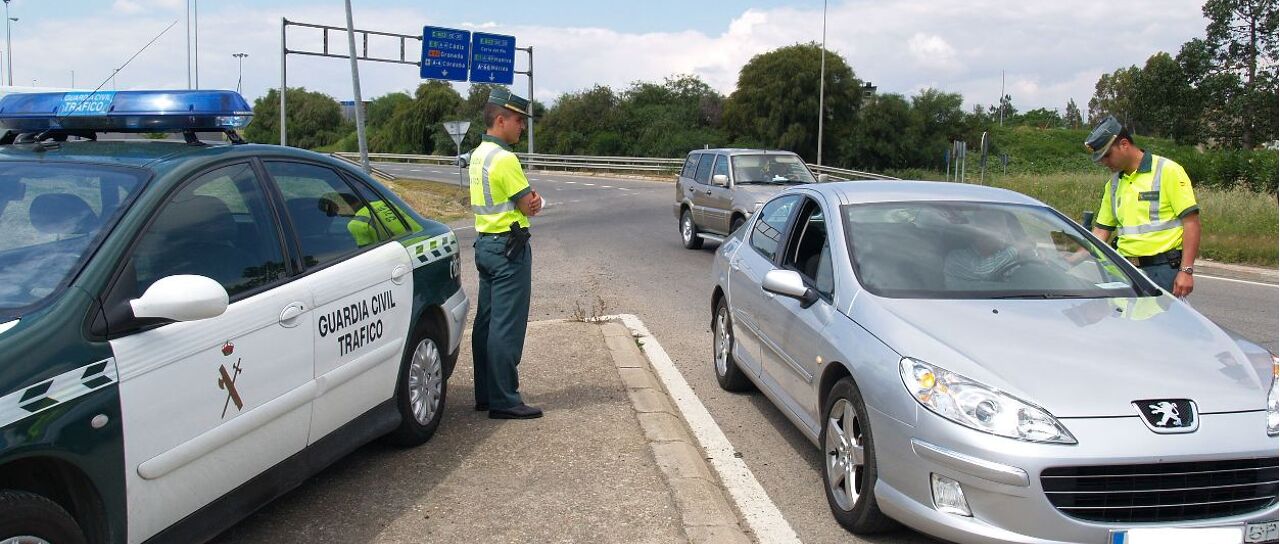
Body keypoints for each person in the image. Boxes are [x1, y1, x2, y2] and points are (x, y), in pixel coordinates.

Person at [469, 88, 544, 420]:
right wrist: (532, 202)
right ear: (500, 120)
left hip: (485, 244)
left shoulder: (478, 154)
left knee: (485, 322)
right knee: (506, 326)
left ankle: (486, 393)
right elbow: (528, 205)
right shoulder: (505, 158)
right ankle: (504, 400)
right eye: (517, 120)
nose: (521, 127)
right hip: (509, 247)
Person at [1084, 115, 1200, 296]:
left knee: (1162, 324)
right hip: (1124, 271)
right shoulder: (1113, 185)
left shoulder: (1167, 171)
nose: (1104, 162)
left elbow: (1191, 222)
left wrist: (1186, 271)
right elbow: (1101, 232)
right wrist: (1069, 259)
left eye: (1107, 155)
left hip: (1163, 270)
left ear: (1124, 144)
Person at [943, 210, 1026, 286]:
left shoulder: (1003, 258)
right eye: (999, 229)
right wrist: (1017, 249)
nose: (1005, 234)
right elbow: (982, 271)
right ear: (980, 233)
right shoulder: (956, 257)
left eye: (1006, 229)